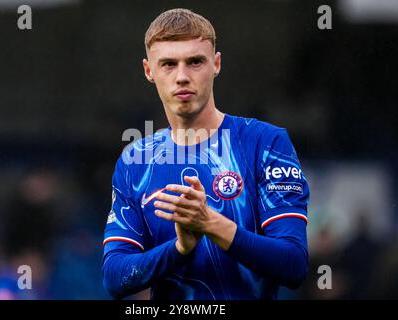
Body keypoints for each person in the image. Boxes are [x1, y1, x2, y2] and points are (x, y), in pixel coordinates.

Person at [102, 8, 310, 300]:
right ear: (149, 71)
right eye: (169, 64)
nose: (182, 76)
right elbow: (114, 277)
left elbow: (294, 264)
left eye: (195, 61)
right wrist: (180, 248)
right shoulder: (135, 161)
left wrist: (210, 224)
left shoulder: (265, 143)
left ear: (216, 64)